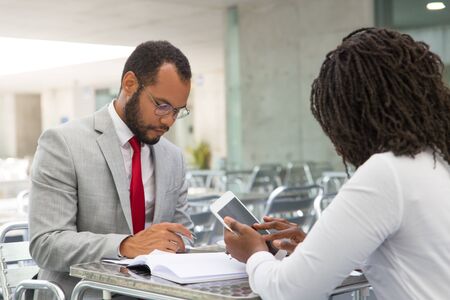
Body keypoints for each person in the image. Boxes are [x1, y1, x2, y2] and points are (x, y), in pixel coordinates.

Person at [224, 27, 450, 300]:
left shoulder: (387, 171)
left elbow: (289, 292)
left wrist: (254, 253)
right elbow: (414, 259)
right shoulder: (435, 161)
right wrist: (316, 251)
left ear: (354, 116)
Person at [29, 41, 194, 299]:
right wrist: (126, 245)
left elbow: (183, 232)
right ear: (130, 84)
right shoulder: (63, 143)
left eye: (177, 111)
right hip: (84, 293)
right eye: (162, 106)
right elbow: (46, 243)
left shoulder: (173, 158)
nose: (168, 121)